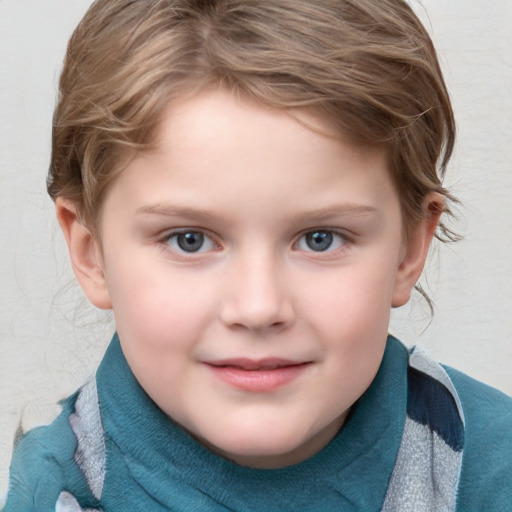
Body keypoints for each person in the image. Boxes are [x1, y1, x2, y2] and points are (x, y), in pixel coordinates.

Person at [4, 0, 512, 510]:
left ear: (409, 248)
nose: (258, 307)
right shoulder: (56, 490)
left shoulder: (492, 470)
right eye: (189, 240)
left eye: (321, 238)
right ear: (92, 254)